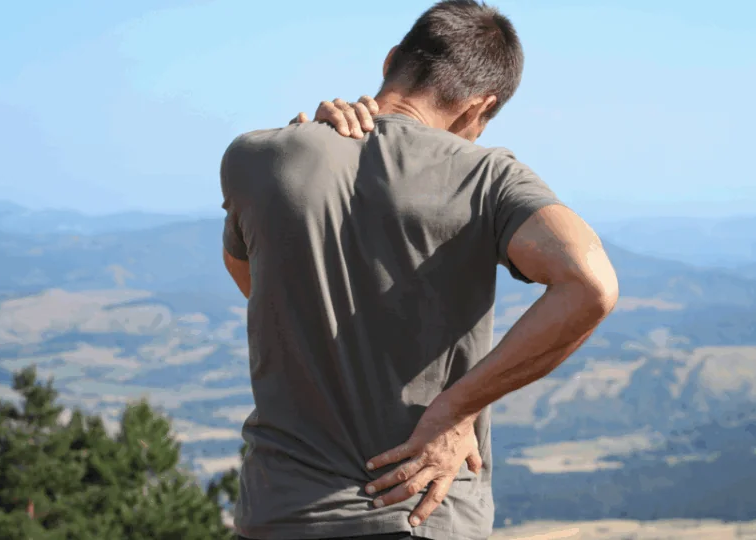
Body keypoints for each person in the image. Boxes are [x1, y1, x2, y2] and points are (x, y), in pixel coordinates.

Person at [220, 1, 619, 539]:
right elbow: (591, 285)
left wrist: (299, 145)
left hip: (279, 514)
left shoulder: (254, 158)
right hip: (419, 511)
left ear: (390, 61)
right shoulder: (487, 177)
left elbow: (254, 281)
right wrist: (456, 409)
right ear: (481, 106)